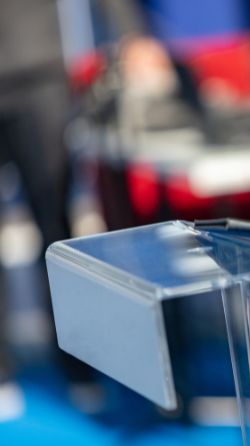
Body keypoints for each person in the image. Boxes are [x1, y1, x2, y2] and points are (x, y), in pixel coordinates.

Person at [0, 0, 171, 415]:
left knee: (54, 226)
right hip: (36, 68)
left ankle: (77, 365)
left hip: (40, 71)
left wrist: (133, 35)